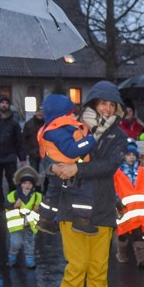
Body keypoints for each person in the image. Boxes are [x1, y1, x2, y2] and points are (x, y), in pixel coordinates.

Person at [52, 80, 129, 287]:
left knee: (98, 269)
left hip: (103, 209)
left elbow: (109, 166)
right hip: (72, 206)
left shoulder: (119, 136)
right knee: (77, 267)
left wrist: (78, 168)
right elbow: (52, 154)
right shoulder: (73, 127)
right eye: (102, 103)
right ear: (93, 104)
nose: (107, 109)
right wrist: (55, 167)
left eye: (112, 105)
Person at [33, 94, 99, 236]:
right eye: (71, 113)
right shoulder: (60, 130)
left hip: (56, 169)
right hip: (68, 169)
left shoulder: (51, 129)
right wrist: (91, 140)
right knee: (85, 191)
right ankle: (81, 220)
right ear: (62, 115)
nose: (74, 116)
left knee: (53, 195)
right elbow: (72, 150)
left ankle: (45, 219)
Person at [112, 141, 144, 268]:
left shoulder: (142, 171)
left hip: (139, 208)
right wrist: (116, 202)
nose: (131, 157)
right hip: (124, 208)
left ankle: (141, 258)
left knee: (138, 233)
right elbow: (114, 188)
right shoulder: (117, 172)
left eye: (134, 155)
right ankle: (121, 253)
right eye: (128, 154)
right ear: (123, 156)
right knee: (123, 232)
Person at [0, 95, 26, 210]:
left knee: (12, 182)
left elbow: (19, 140)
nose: (4, 105)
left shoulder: (14, 122)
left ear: (9, 105)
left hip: (10, 157)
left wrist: (22, 158)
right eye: (2, 103)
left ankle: (12, 204)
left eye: (6, 103)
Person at [4, 166, 43, 268]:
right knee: (16, 243)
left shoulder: (38, 196)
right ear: (20, 184)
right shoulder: (13, 195)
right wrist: (13, 205)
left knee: (30, 243)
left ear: (33, 185)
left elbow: (44, 207)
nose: (27, 185)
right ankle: (12, 256)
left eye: (30, 183)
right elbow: (6, 205)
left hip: (30, 225)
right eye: (24, 183)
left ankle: (30, 259)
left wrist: (39, 209)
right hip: (16, 225)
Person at [22, 107, 44, 177]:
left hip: (44, 153)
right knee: (34, 173)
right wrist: (27, 151)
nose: (40, 113)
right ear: (36, 112)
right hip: (32, 153)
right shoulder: (29, 124)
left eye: (42, 112)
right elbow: (24, 139)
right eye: (39, 111)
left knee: (46, 174)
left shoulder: (47, 124)